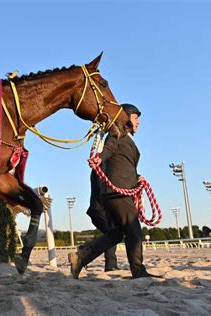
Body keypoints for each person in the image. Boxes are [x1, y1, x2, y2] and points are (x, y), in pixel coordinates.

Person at [70, 103, 160, 279]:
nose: (139, 123)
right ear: (126, 118)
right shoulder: (116, 133)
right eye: (136, 118)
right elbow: (108, 149)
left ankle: (81, 256)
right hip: (117, 192)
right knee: (134, 229)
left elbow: (123, 164)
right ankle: (138, 270)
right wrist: (99, 158)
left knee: (116, 233)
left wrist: (137, 177)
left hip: (116, 192)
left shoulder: (126, 139)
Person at [86, 170, 119, 271]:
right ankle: (110, 265)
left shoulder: (102, 168)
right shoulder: (102, 168)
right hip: (100, 208)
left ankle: (84, 250)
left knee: (112, 234)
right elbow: (104, 188)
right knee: (114, 233)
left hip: (99, 208)